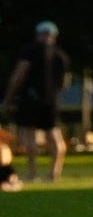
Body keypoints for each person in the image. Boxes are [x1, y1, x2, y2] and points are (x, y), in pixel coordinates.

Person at [6, 21, 71, 184]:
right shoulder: (60, 55)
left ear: (37, 34)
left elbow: (19, 75)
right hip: (51, 101)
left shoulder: (30, 51)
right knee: (54, 136)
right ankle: (53, 173)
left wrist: (9, 97)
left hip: (30, 99)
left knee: (28, 135)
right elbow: (64, 83)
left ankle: (32, 173)